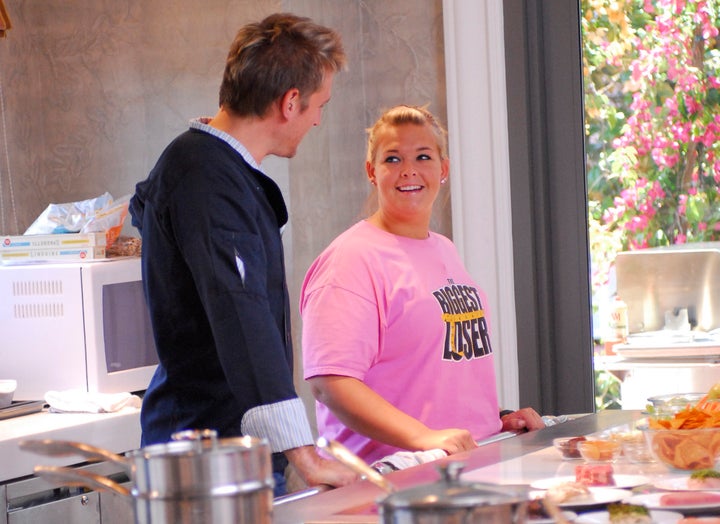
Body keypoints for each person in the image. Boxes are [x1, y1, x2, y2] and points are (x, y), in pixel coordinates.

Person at [129, 12, 357, 496]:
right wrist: (304, 455)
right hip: (208, 456)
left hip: (228, 448)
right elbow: (241, 312)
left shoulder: (211, 169)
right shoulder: (205, 176)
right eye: (320, 105)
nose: (318, 118)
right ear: (290, 102)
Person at [300, 105, 545, 465]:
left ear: (443, 169)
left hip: (464, 466)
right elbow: (331, 383)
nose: (409, 170)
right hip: (390, 485)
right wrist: (423, 438)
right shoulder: (350, 260)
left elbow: (441, 369)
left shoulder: (443, 248)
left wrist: (497, 420)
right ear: (372, 172)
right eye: (393, 159)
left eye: (423, 156)